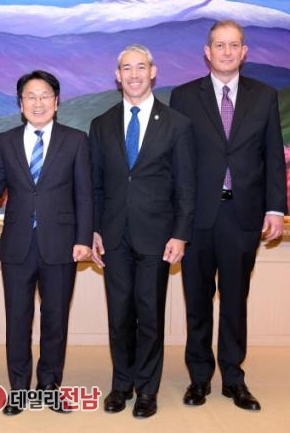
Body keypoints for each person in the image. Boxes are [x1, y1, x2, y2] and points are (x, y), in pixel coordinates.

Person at [169, 20, 287, 411]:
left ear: (244, 52)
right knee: (197, 301)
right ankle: (199, 378)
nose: (227, 52)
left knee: (235, 301)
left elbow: (274, 155)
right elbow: (177, 162)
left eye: (234, 45)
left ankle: (234, 379)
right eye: (219, 45)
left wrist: (275, 208)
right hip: (197, 217)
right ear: (207, 52)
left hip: (243, 215)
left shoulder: (264, 96)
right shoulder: (184, 96)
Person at [0, 70, 92, 415]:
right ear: (20, 104)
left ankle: (49, 387)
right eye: (30, 96)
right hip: (17, 244)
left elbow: (85, 194)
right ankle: (18, 389)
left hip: (61, 244)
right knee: (17, 320)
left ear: (56, 101)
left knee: (55, 320)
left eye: (44, 95)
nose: (38, 102)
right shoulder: (5, 141)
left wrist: (83, 239)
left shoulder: (76, 140)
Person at [90, 44, 195, 418]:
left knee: (149, 315)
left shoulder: (177, 124)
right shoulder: (101, 124)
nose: (133, 75)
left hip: (158, 237)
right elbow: (95, 184)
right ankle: (122, 385)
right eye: (126, 68)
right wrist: (94, 230)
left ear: (153, 72)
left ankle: (147, 390)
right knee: (119, 315)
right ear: (117, 76)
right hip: (114, 235)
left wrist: (180, 234)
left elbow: (186, 186)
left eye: (140, 67)